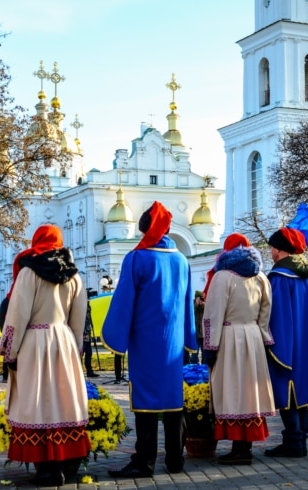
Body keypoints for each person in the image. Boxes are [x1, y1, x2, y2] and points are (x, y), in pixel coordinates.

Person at [103, 202, 196, 479]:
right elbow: (187, 302)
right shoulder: (181, 259)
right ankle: (176, 459)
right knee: (172, 397)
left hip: (145, 341)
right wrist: (189, 338)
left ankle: (144, 461)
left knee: (145, 399)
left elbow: (124, 301)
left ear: (143, 227)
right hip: (173, 342)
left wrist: (116, 334)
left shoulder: (137, 258)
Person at [0, 225, 90, 487]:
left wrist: (10, 351)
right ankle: (63, 461)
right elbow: (79, 319)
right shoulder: (74, 276)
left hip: (34, 342)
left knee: (36, 401)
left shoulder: (29, 272)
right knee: (62, 400)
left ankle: (45, 469)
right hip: (64, 340)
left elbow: (17, 315)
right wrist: (76, 351)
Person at [201, 235, 275, 465]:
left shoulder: (222, 277)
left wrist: (210, 345)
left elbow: (213, 313)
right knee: (249, 392)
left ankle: (239, 448)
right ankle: (245, 446)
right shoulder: (261, 276)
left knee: (233, 389)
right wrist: (260, 333)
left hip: (230, 337)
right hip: (252, 337)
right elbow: (266, 311)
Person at [264, 228, 308, 458]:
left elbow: (278, 316)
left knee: (288, 393)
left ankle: (294, 442)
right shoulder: (304, 277)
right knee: (298, 394)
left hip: (287, 344)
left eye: (273, 247)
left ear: (280, 249)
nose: (271, 251)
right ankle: (299, 439)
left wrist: (273, 345)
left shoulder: (280, 278)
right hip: (305, 343)